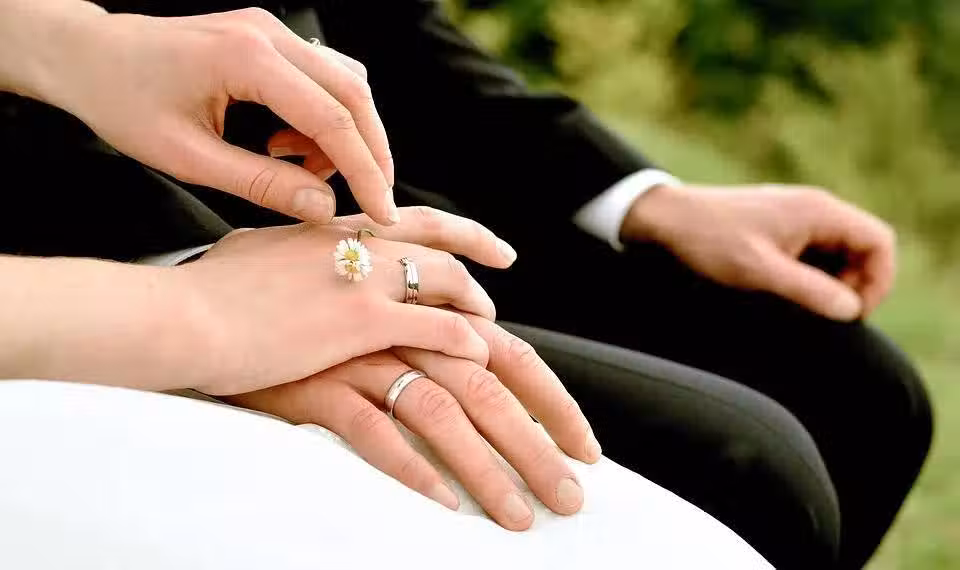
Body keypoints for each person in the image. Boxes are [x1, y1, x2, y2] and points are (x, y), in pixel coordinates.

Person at [0, 1, 926, 568]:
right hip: (74, 229)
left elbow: (379, 23)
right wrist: (192, 293)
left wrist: (643, 197)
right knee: (753, 469)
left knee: (863, 394)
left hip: (357, 178)